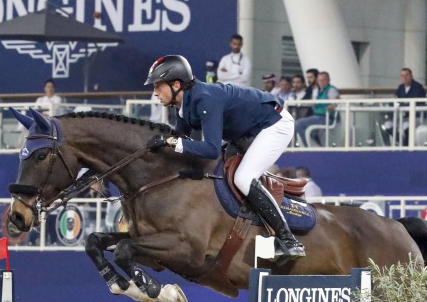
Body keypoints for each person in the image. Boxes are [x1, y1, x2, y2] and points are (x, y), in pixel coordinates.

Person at [143, 54, 304, 260]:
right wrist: (160, 143)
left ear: (176, 84)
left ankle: (288, 240)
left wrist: (172, 143)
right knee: (217, 171)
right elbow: (180, 138)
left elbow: (209, 148)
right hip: (247, 132)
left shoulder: (204, 98)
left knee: (243, 178)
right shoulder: (184, 103)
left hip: (274, 125)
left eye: (158, 86)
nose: (155, 92)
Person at [294, 71, 339, 146]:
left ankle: (306, 148)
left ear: (328, 80)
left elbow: (336, 99)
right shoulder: (321, 91)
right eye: (319, 80)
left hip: (326, 117)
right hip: (318, 116)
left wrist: (333, 105)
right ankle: (315, 147)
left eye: (323, 80)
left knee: (298, 124)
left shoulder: (330, 89)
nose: (321, 82)